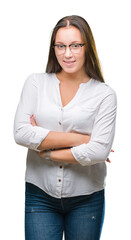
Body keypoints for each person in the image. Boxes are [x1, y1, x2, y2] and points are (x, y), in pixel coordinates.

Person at [14, 15, 117, 240]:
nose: (67, 54)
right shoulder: (35, 83)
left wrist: (47, 152)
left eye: (75, 46)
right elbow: (21, 133)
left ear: (87, 47)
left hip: (87, 198)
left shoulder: (105, 94)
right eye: (60, 46)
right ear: (54, 48)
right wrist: (82, 140)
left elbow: (99, 151)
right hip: (39, 194)